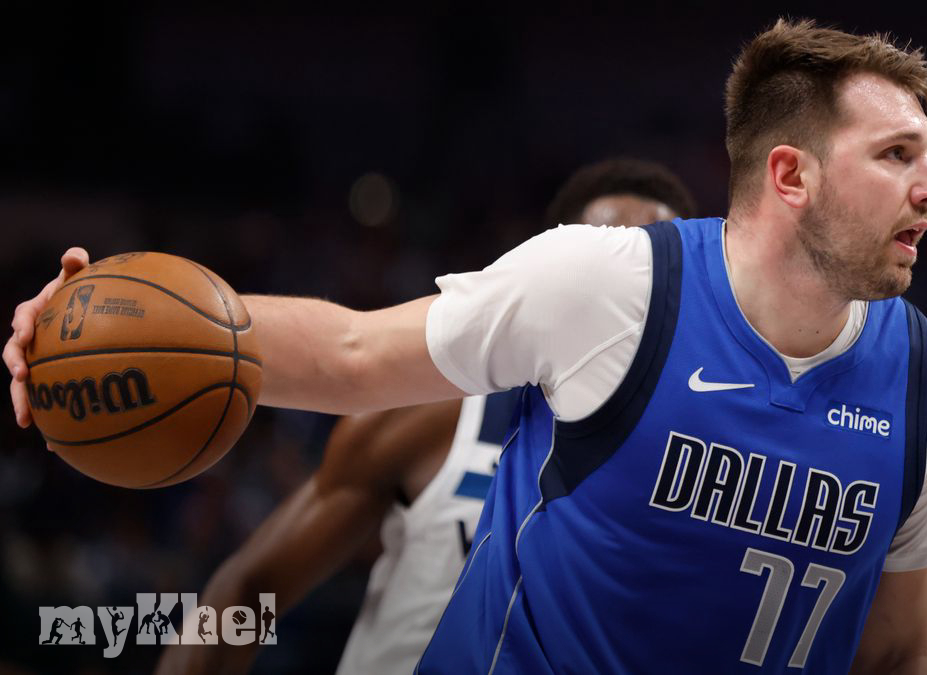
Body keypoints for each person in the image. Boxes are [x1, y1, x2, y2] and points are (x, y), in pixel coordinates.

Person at [8, 19, 927, 674]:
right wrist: (90, 320)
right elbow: (347, 356)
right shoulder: (604, 291)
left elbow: (898, 655)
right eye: (898, 154)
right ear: (790, 176)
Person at [151, 159, 696, 675]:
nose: (630, 294)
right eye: (613, 267)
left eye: (649, 273)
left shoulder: (699, 476)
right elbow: (249, 590)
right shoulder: (436, 417)